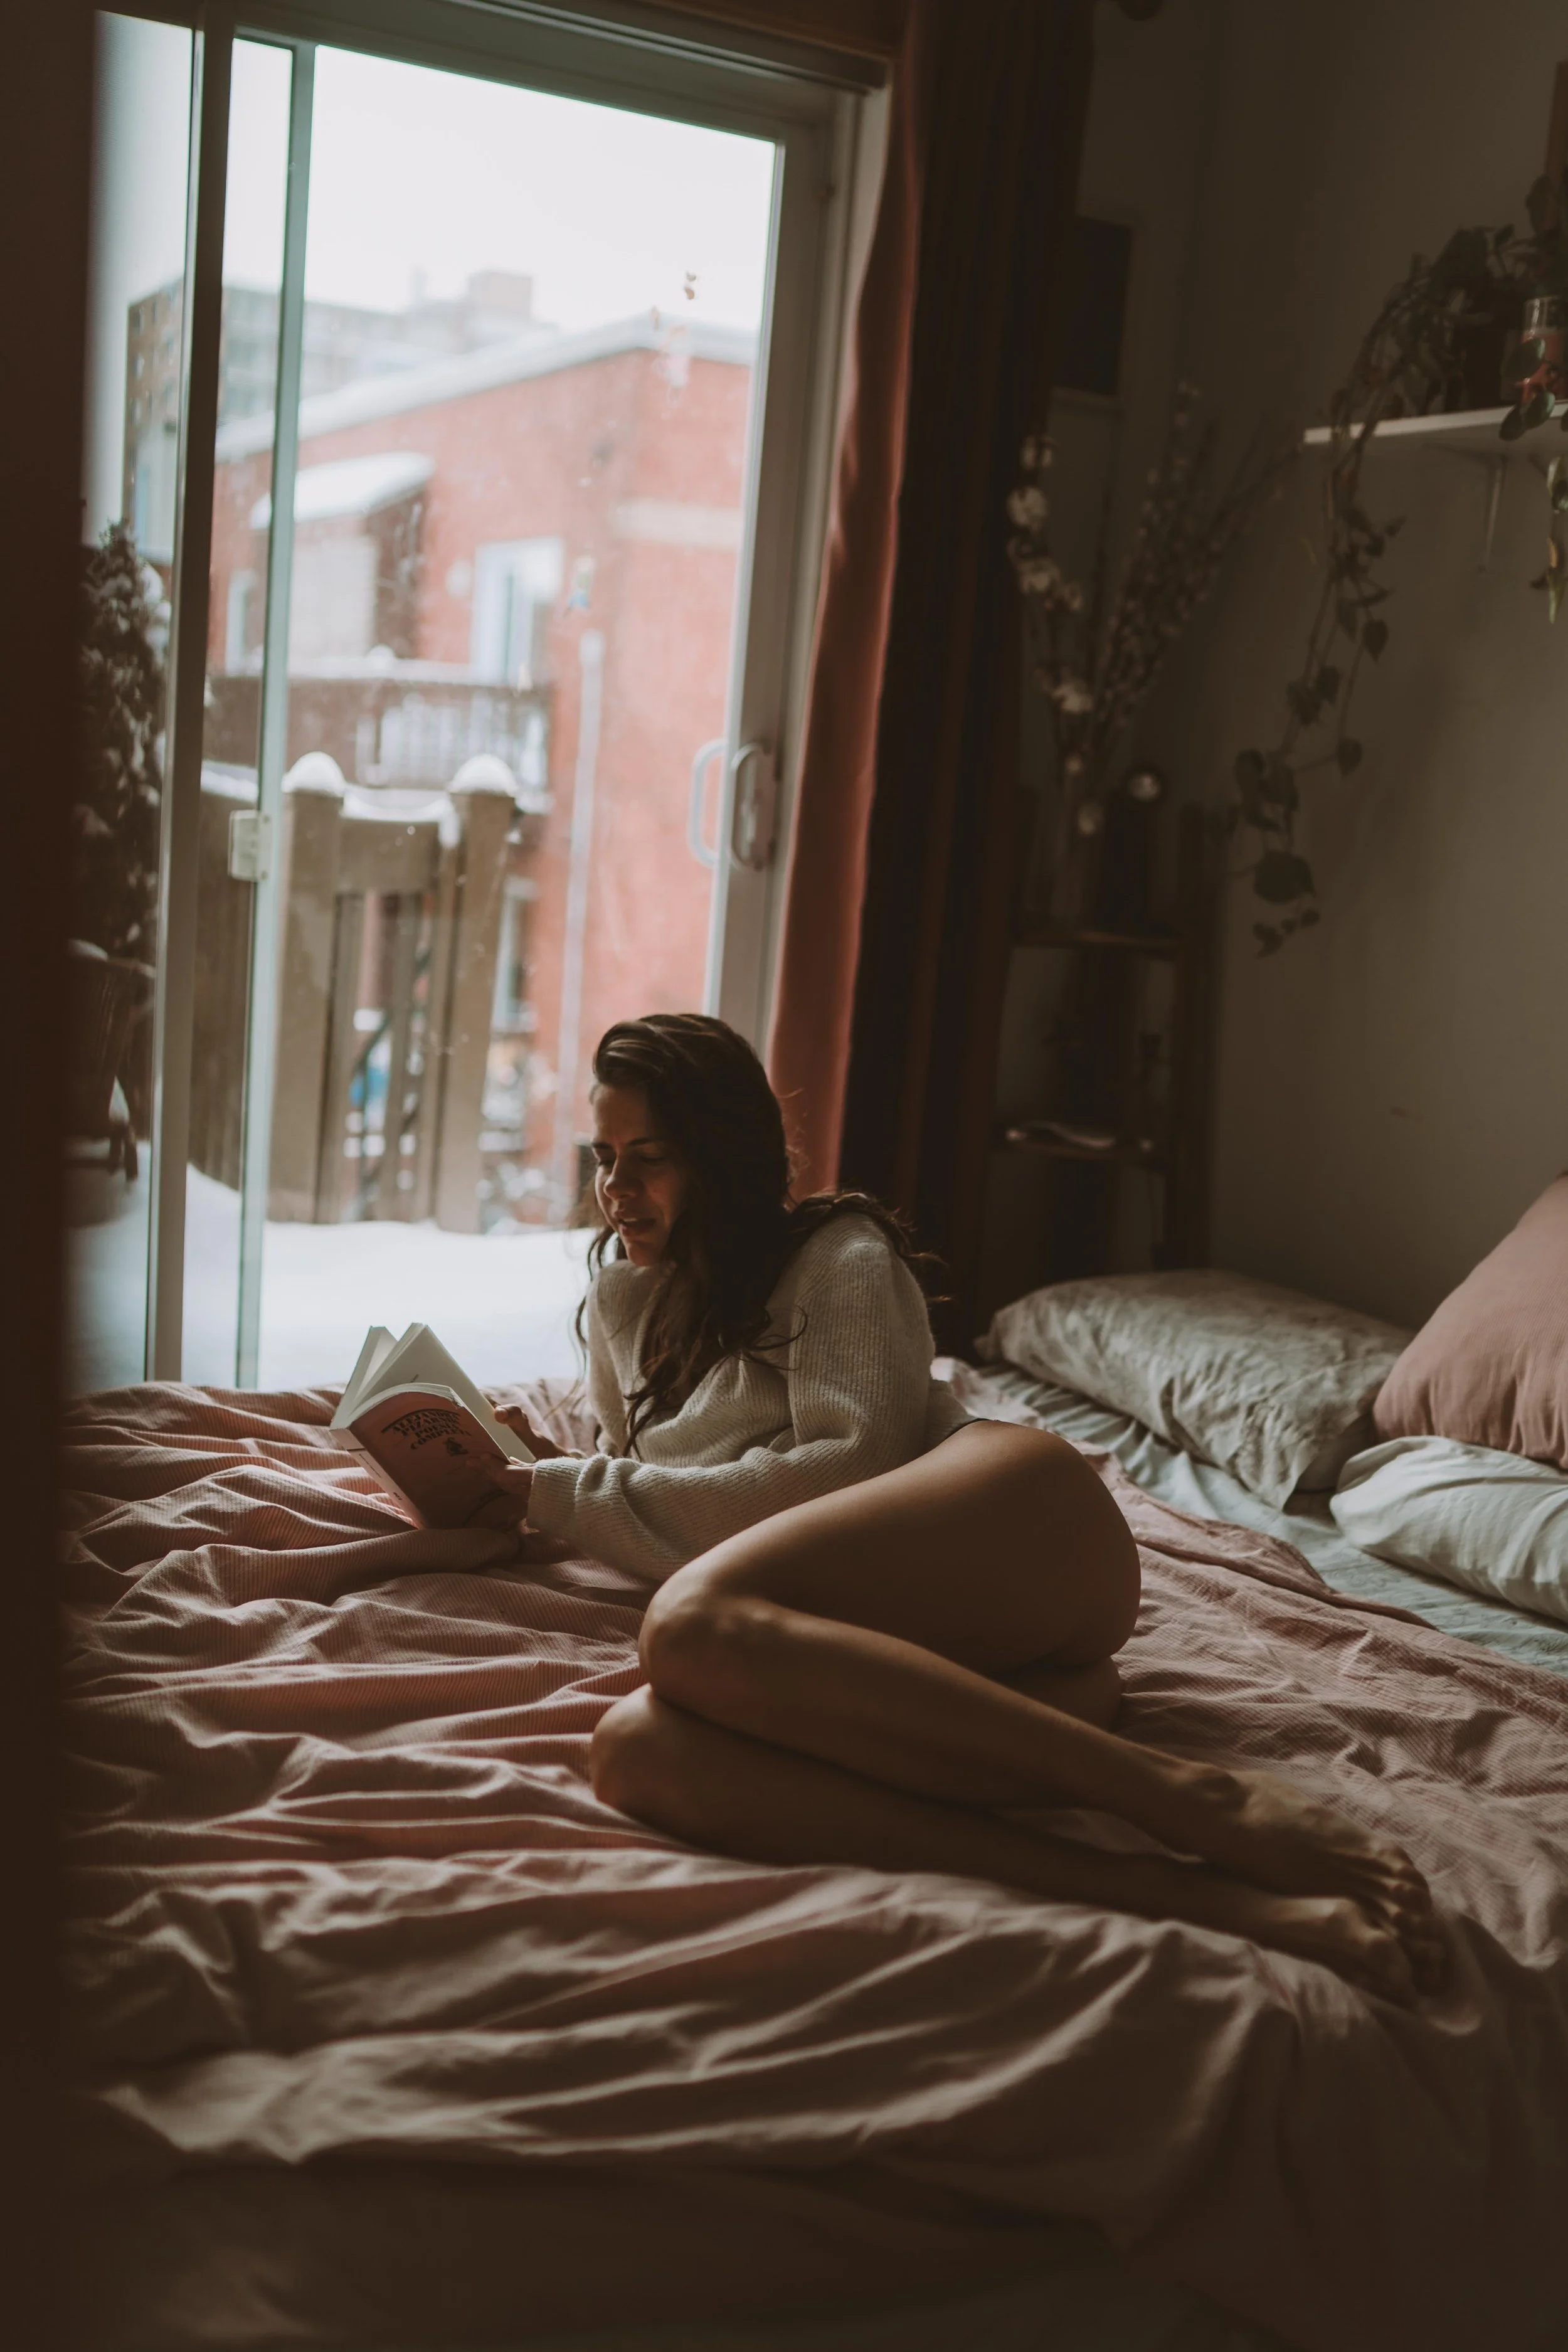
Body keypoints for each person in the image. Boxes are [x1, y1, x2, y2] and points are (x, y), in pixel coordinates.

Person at [487, 1013, 1444, 2007]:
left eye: (649, 1158)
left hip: (1015, 1526)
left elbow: (841, 1476)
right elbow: (642, 1477)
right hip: (930, 1644)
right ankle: (1186, 1895)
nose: (615, 1190)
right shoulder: (624, 1298)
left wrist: (562, 1494)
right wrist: (519, 1485)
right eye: (605, 1157)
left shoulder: (838, 1259)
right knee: (638, 1751)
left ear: (722, 1155)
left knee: (686, 1623)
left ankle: (1206, 1802)